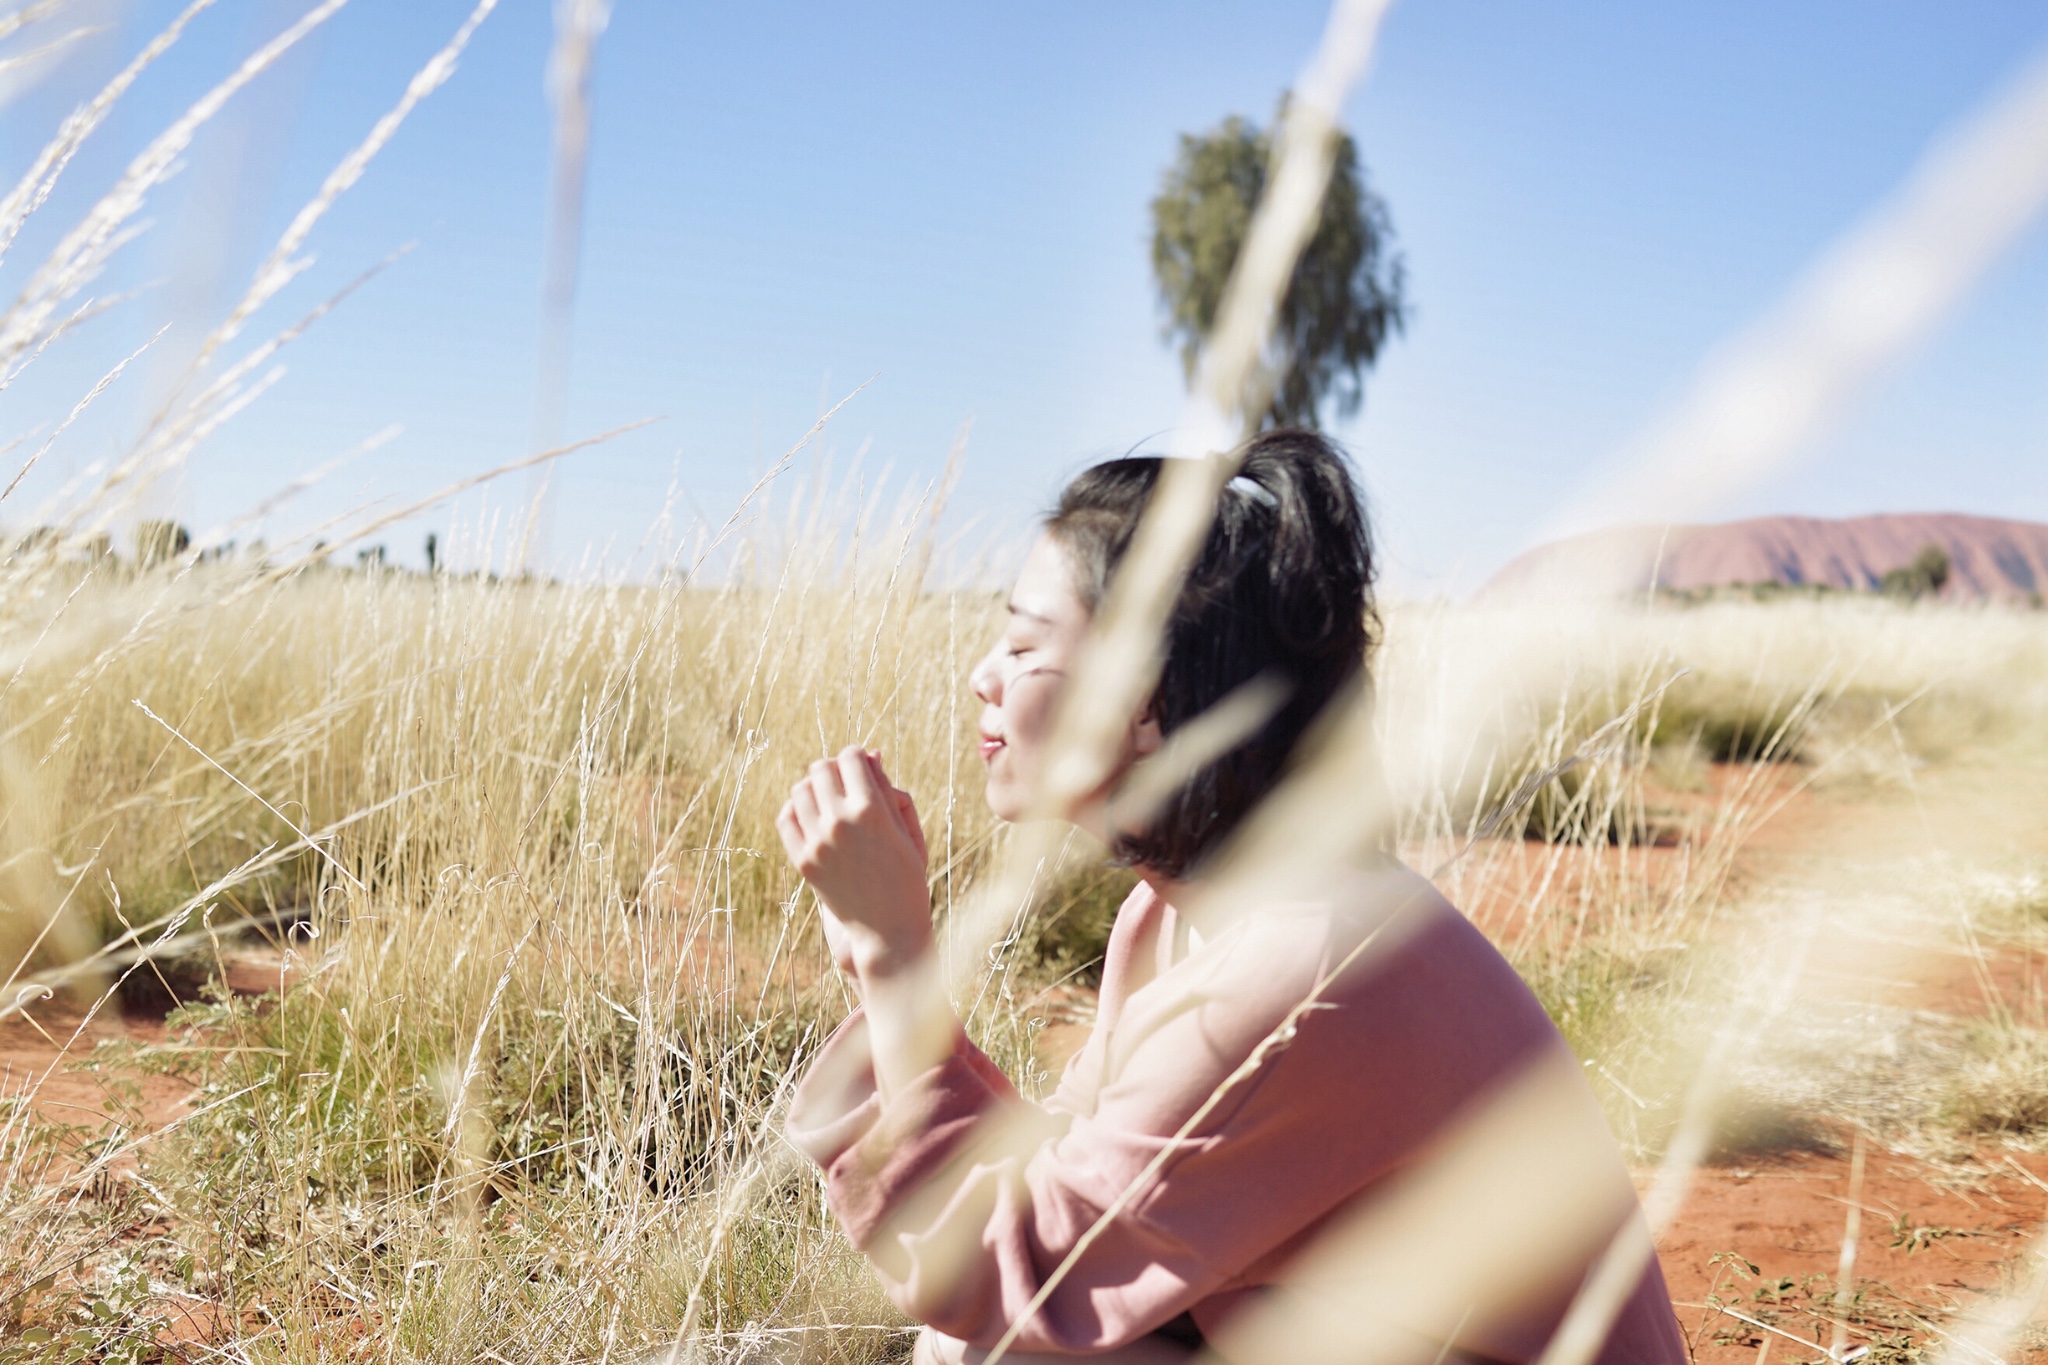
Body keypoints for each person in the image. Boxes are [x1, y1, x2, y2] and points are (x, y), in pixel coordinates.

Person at [775, 430, 1687, 1365]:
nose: (984, 674)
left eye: (1023, 641)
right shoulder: (1186, 916)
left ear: (1142, 699)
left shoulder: (1295, 965)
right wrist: (870, 945)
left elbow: (1020, 1266)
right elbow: (1073, 1179)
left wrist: (896, 958)